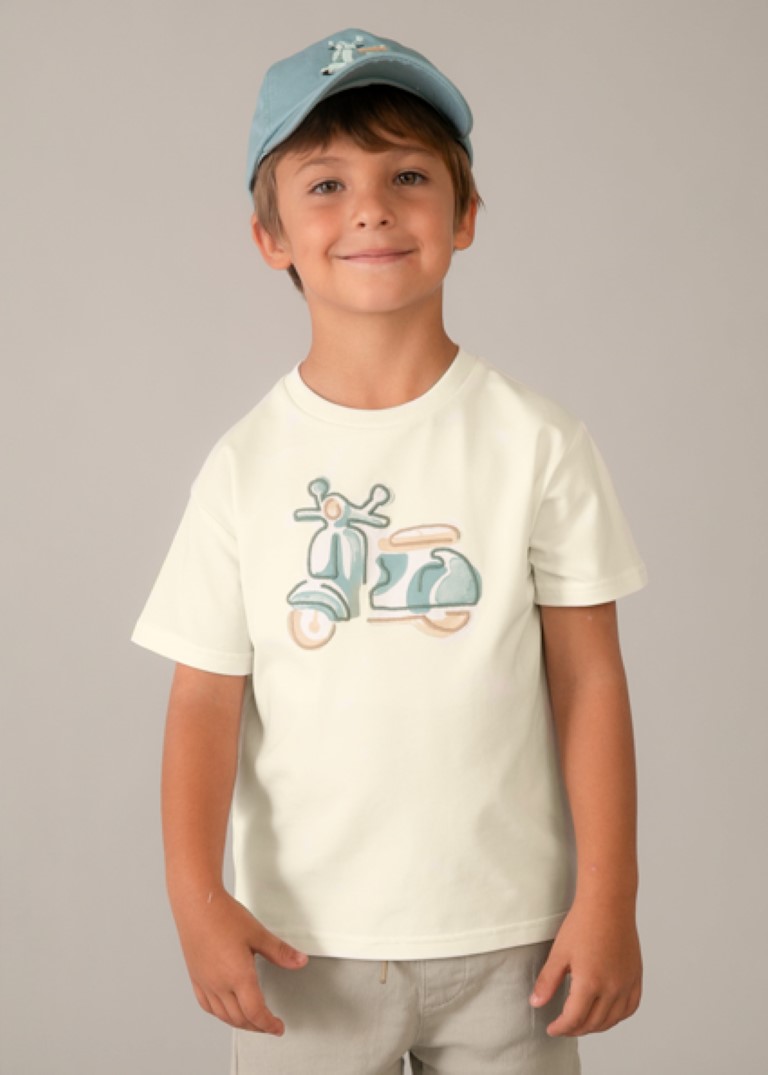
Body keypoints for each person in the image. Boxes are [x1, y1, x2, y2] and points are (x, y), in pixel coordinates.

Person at [131, 27, 648, 1075]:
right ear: (271, 236)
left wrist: (610, 898)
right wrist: (195, 896)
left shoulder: (538, 444)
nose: (370, 207)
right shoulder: (244, 466)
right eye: (326, 184)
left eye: (407, 175)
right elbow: (203, 701)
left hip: (514, 941)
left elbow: (590, 680)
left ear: (465, 215)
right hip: (302, 945)